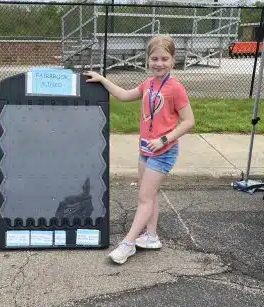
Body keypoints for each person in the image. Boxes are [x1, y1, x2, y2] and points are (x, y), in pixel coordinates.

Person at [84, 35, 195, 264]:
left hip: (163, 152)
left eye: (164, 59)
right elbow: (124, 95)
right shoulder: (149, 84)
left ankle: (128, 244)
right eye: (154, 58)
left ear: (173, 60)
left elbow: (189, 121)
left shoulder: (175, 88)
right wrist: (103, 80)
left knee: (145, 197)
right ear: (148, 60)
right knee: (149, 195)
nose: (159, 63)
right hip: (145, 149)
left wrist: (165, 139)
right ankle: (151, 237)